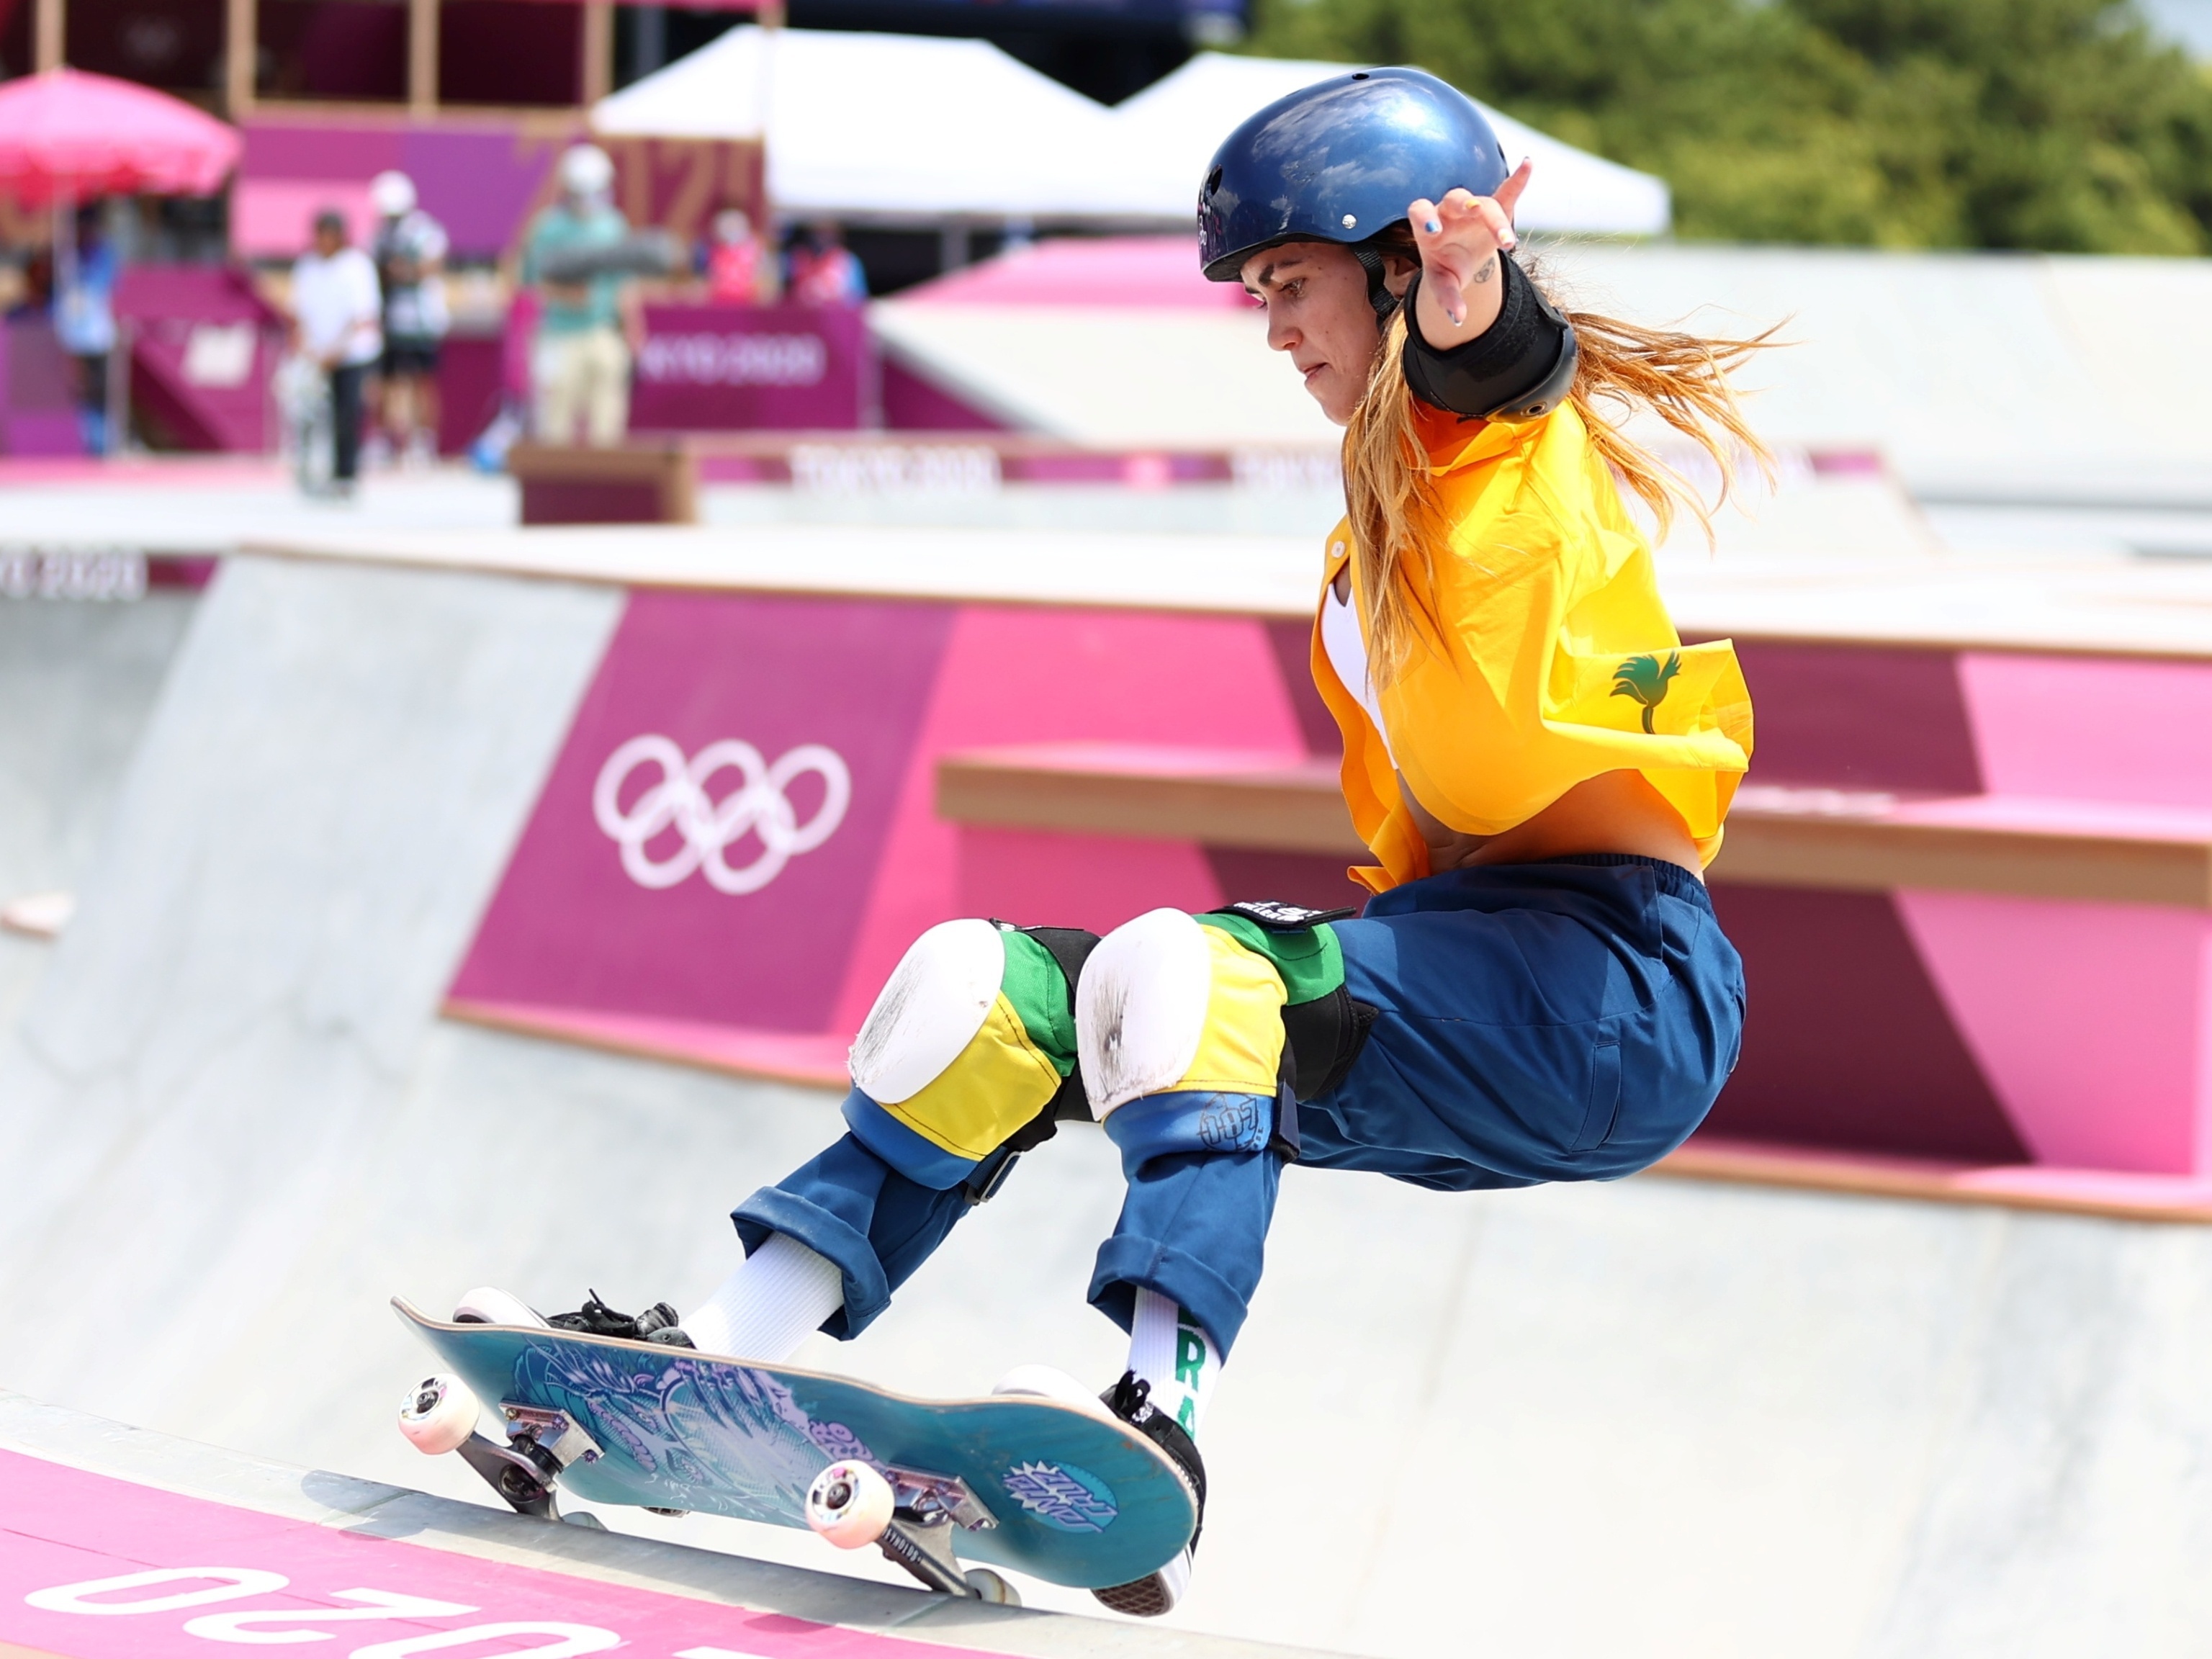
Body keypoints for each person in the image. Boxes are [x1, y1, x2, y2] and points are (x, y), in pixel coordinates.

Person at [463, 68, 1765, 1617]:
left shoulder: (1506, 445)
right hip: (1486, 966)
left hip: (1617, 987)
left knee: (1196, 971)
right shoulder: (1372, 522)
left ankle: (1166, 1429)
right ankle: (715, 1354)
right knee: (992, 997)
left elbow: (1501, 383)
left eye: (1293, 286)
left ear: (1404, 268)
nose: (1273, 326)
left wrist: (1480, 313)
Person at [521, 144, 636, 446]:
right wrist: (567, 294)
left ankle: (605, 485)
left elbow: (624, 285)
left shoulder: (612, 225)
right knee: (555, 420)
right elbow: (535, 280)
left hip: (602, 331)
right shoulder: (548, 228)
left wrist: (633, 328)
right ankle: (556, 487)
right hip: (560, 335)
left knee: (607, 420)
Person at [289, 209, 382, 498]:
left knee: (347, 414)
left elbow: (361, 315)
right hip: (316, 356)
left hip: (351, 355)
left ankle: (345, 474)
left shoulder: (357, 266)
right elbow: (299, 311)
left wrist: (336, 351)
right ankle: (311, 473)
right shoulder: (307, 266)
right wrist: (308, 348)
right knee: (310, 416)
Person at [368, 171, 450, 468]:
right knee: (386, 383)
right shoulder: (379, 235)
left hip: (422, 321)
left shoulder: (424, 231)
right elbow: (375, 271)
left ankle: (423, 441)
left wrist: (403, 271)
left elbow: (430, 267)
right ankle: (386, 441)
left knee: (422, 383)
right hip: (390, 320)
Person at [53, 204, 119, 456]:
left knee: (97, 394)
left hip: (95, 337)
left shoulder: (100, 253)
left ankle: (99, 443)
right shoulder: (71, 253)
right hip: (71, 337)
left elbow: (95, 289)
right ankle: (82, 440)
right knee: (76, 394)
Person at [784, 219, 866, 307]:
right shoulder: (797, 257)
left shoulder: (848, 260)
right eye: (819, 231)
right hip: (803, 315)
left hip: (835, 316)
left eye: (828, 230)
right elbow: (785, 293)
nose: (823, 235)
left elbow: (858, 299)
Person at [704, 207, 775, 305]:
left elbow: (767, 279)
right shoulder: (714, 251)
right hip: (720, 301)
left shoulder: (757, 249)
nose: (731, 229)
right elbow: (711, 278)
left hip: (750, 302)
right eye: (728, 226)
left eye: (734, 225)